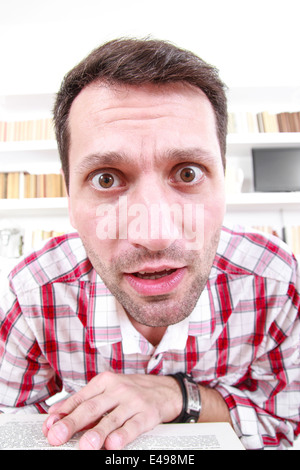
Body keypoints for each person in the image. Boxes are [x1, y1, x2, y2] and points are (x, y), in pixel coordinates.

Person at [0, 38, 299, 451]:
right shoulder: (31, 295)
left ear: (224, 183)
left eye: (188, 172)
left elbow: (288, 426)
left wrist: (178, 396)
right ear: (69, 199)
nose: (154, 234)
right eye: (107, 178)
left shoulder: (276, 282)